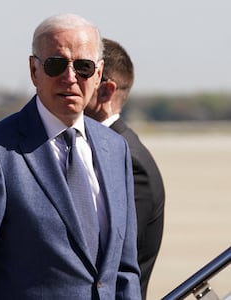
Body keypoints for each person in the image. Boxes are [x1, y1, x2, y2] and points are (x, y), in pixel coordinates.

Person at [0, 14, 141, 300]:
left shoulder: (116, 149)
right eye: (56, 64)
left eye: (83, 66)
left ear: (98, 73)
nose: (70, 78)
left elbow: (124, 273)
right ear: (34, 70)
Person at [85, 38, 165, 299]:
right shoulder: (96, 147)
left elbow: (112, 256)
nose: (69, 80)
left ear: (106, 91)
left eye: (84, 72)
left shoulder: (130, 160)